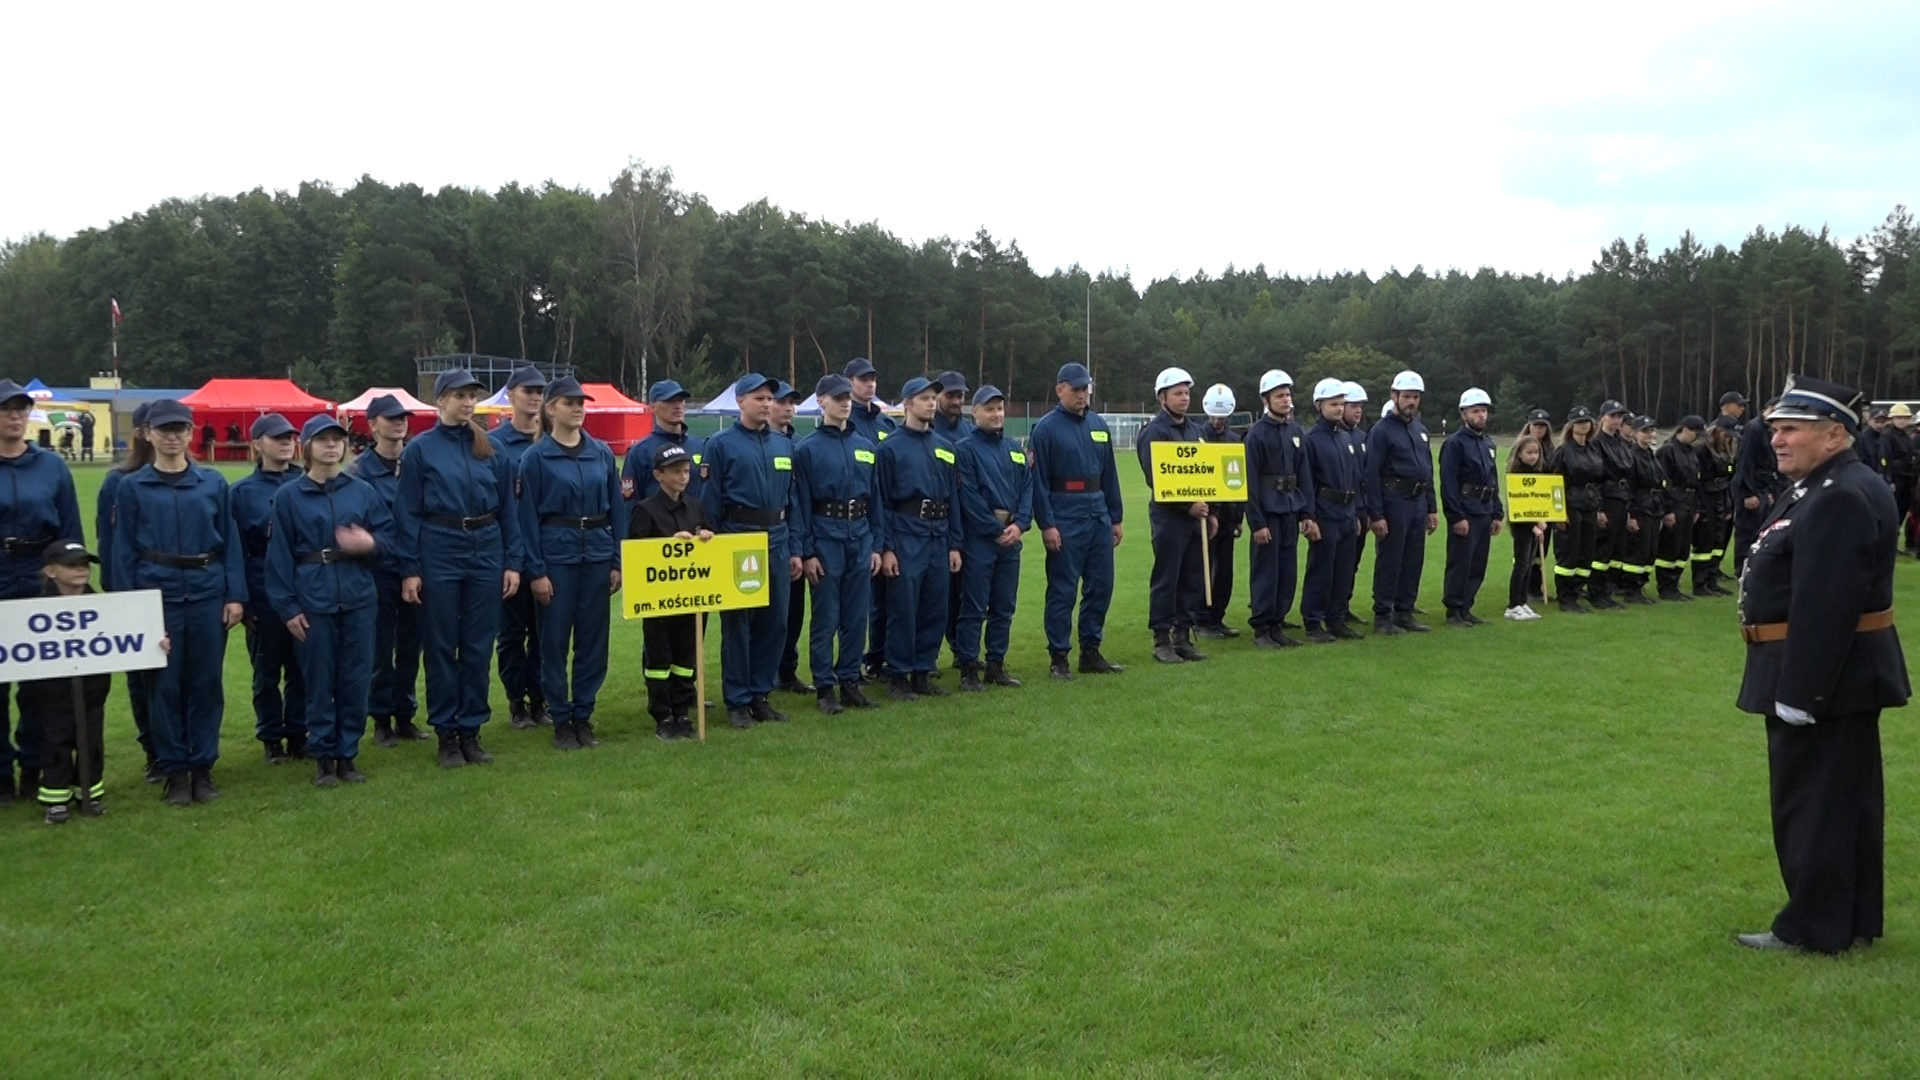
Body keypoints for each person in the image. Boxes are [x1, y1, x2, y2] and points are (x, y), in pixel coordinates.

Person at [1733, 375, 1910, 954]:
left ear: (1835, 434)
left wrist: (1800, 692)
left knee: (1812, 806)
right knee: (1843, 802)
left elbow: (1827, 602)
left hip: (1820, 678)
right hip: (1839, 675)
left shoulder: (1836, 494)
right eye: (1775, 428)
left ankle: (1813, 927)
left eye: (1791, 429)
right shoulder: (1826, 482)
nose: (1776, 439)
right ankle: (1848, 919)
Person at [111, 399, 246, 806]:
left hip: (206, 591)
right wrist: (131, 610)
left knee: (206, 684)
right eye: (164, 429)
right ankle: (174, 770)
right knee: (164, 687)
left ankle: (202, 767)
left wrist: (235, 595)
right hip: (158, 595)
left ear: (191, 434)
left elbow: (230, 542)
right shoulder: (132, 487)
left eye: (180, 428)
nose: (172, 436)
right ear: (148, 433)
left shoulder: (213, 484)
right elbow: (122, 554)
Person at [395, 369, 524, 769]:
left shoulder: (491, 449)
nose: (467, 403)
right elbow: (407, 513)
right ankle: (446, 733)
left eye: (472, 396)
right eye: (459, 396)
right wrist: (410, 568)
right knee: (440, 643)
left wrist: (512, 562)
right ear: (441, 402)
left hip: (486, 546)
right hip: (440, 546)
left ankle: (471, 728)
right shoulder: (421, 450)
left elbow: (508, 510)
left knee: (478, 644)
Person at [266, 415, 393, 787]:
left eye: (337, 440)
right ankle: (323, 755)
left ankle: (347, 754)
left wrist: (370, 545)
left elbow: (389, 541)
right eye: (322, 440)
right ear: (307, 447)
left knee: (355, 678)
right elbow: (278, 558)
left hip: (357, 595)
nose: (332, 446)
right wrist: (288, 607)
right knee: (319, 680)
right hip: (314, 596)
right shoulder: (289, 496)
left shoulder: (362, 492)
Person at [518, 377, 622, 750]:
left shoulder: (601, 454)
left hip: (596, 554)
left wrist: (616, 560)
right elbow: (526, 519)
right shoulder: (536, 458)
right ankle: (561, 718)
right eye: (569, 402)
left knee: (593, 642)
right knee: (554, 641)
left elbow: (617, 510)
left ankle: (583, 714)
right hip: (556, 556)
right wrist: (536, 571)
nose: (578, 408)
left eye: (581, 403)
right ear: (551, 409)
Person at [0, 379, 84, 806]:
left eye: (21, 409)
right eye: (6, 409)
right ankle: (1, 773)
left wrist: (71, 580)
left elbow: (69, 528)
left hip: (39, 579)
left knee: (40, 684)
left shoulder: (51, 467)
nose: (15, 416)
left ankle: (36, 765)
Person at [700, 373, 799, 727]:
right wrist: (714, 538)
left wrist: (795, 548)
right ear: (740, 401)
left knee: (775, 622)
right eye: (759, 398)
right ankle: (738, 701)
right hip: (738, 538)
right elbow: (709, 500)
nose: (767, 404)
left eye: (770, 399)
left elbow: (794, 501)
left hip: (777, 537)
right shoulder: (721, 444)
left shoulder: (783, 445)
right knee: (739, 625)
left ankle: (761, 694)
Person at [790, 374, 881, 715]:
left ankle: (850, 680)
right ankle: (825, 686)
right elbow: (800, 505)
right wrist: (808, 551)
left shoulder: (866, 448)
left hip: (859, 535)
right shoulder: (807, 449)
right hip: (825, 537)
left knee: (857, 616)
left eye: (847, 398)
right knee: (826, 616)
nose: (845, 403)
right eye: (837, 397)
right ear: (821, 400)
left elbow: (876, 503)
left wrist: (875, 545)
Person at [1029, 362, 1124, 680]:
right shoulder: (1045, 429)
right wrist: (1048, 524)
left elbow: (1109, 475)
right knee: (1063, 590)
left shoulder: (1099, 425)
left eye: (1086, 389)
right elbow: (1038, 483)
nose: (1082, 394)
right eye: (1076, 389)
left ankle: (1091, 650)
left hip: (1097, 515)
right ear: (1060, 390)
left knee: (1101, 586)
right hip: (1065, 516)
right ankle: (1059, 656)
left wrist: (1116, 518)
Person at [876, 376, 962, 700]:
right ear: (907, 404)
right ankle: (898, 674)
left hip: (938, 536)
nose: (930, 403)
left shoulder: (945, 447)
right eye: (923, 398)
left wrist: (955, 543)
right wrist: (887, 548)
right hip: (906, 534)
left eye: (933, 398)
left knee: (934, 606)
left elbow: (953, 498)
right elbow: (882, 501)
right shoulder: (889, 449)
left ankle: (923, 671)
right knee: (903, 608)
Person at [232, 413, 308, 764]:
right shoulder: (242, 493)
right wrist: (244, 601)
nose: (286, 442)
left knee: (303, 667)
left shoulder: (307, 481)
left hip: (304, 584)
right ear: (257, 443)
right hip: (263, 589)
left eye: (290, 437)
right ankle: (271, 738)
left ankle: (298, 733)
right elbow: (236, 550)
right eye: (277, 437)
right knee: (266, 670)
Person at [22, 541, 115, 823]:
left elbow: (127, 636)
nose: (81, 571)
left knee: (91, 740)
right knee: (56, 740)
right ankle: (56, 798)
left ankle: (90, 793)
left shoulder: (102, 605)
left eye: (85, 565)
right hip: (52, 691)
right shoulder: (33, 609)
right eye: (72, 565)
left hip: (93, 688)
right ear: (50, 571)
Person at [351, 394, 425, 747]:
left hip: (415, 567)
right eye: (391, 417)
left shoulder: (415, 462)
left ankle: (405, 714)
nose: (399, 422)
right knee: (380, 649)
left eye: (403, 417)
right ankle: (380, 718)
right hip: (378, 571)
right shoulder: (360, 472)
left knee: (412, 646)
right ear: (373, 424)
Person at [627, 445, 713, 739]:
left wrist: (707, 538)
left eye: (686, 471)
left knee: (686, 657)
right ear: (658, 475)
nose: (683, 477)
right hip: (659, 602)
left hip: (690, 598)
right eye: (675, 471)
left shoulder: (696, 506)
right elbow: (637, 555)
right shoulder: (645, 509)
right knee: (659, 660)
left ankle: (682, 711)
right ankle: (662, 715)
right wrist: (667, 543)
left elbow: (710, 541)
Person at [953, 384, 1031, 691]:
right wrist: (995, 530)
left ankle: (996, 664)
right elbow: (968, 497)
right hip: (980, 539)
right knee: (973, 606)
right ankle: (969, 668)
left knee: (1004, 605)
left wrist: (1021, 524)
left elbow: (1028, 488)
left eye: (1000, 408)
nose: (996, 414)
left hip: (1011, 537)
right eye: (989, 408)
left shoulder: (1014, 448)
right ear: (975, 413)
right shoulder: (965, 449)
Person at [98, 402, 161, 781]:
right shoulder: (118, 481)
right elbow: (109, 543)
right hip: (137, 586)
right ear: (142, 432)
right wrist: (119, 593)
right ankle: (153, 748)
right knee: (143, 676)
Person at [1137, 366, 1215, 664]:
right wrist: (1187, 506)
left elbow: (1206, 474)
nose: (1185, 398)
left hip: (1197, 517)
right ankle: (1161, 638)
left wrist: (1210, 511)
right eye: (1178, 393)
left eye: (1187, 393)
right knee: (1167, 578)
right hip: (1170, 517)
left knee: (1192, 577)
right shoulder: (1154, 432)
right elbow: (1156, 479)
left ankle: (1183, 636)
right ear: (1162, 397)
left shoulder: (1197, 431)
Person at [489, 365, 549, 730]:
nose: (535, 397)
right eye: (527, 390)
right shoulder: (495, 445)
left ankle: (541, 699)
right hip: (509, 552)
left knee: (546, 633)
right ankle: (516, 702)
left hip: (547, 551)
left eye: (540, 391)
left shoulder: (553, 442)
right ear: (510, 395)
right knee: (511, 634)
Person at [1243, 370, 1316, 648]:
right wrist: (1257, 523)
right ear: (1266, 399)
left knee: (1287, 570)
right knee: (1266, 571)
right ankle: (1261, 628)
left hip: (1289, 508)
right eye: (1279, 396)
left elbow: (1304, 475)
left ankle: (1277, 623)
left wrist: (1307, 514)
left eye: (1287, 395)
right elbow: (1249, 483)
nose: (1286, 400)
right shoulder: (1256, 436)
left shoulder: (1296, 432)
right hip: (1267, 512)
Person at [1362, 371, 1438, 634]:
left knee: (1413, 558)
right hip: (1394, 500)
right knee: (1391, 559)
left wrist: (1431, 507)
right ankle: (1383, 615)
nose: (1412, 402)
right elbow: (1371, 473)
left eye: (1416, 397)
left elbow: (1427, 470)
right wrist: (1376, 513)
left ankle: (1405, 611)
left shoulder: (1420, 430)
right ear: (1394, 396)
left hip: (1417, 500)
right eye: (1406, 396)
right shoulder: (1381, 431)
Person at [1299, 379, 1364, 642]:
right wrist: (1309, 517)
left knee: (1343, 568)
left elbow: (1354, 477)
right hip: (1325, 511)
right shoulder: (1311, 439)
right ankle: (1313, 622)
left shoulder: (1345, 436)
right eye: (1333, 404)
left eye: (1341, 403)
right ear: (1319, 405)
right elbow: (1307, 481)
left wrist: (1357, 512)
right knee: (1321, 568)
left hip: (1347, 511)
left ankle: (1336, 619)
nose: (1339, 409)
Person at [844, 358, 896, 681]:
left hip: (886, 515)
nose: (870, 385)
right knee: (858, 604)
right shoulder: (845, 421)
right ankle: (856, 662)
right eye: (863, 379)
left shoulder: (885, 425)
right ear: (850, 382)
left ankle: (881, 654)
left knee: (887, 597)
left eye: (873, 379)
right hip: (853, 520)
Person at [1439, 387, 1504, 626]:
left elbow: (1492, 479)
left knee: (1478, 562)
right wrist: (1456, 516)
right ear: (1463, 414)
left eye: (1484, 411)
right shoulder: (1454, 444)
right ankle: (1454, 609)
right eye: (1476, 411)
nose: (1481, 416)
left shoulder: (1488, 443)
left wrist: (1497, 511)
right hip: (1466, 509)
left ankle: (1466, 606)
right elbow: (1449, 482)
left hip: (1485, 509)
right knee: (1460, 561)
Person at [772, 381, 814, 695]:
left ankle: (787, 671)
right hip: (761, 539)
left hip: (791, 538)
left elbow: (801, 501)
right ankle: (762, 674)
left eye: (792, 403)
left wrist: (799, 546)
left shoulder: (800, 445)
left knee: (793, 611)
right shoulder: (762, 443)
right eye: (782, 402)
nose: (789, 408)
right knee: (764, 614)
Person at [1193, 385, 1244, 638]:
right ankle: (1200, 620)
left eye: (1221, 417)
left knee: (1225, 570)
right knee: (1204, 568)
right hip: (1205, 515)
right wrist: (1209, 511)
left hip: (1228, 514)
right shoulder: (1197, 437)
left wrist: (1237, 518)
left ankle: (1217, 618)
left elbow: (1238, 481)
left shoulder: (1235, 440)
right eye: (1213, 416)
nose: (1217, 421)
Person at [932, 371, 973, 665]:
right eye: (951, 395)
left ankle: (962, 649)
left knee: (965, 593)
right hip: (937, 522)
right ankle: (927, 655)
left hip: (968, 521)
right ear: (936, 396)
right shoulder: (927, 429)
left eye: (960, 395)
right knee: (937, 595)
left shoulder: (970, 431)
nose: (957, 400)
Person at [1551, 406, 1605, 614]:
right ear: (1571, 425)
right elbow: (1555, 483)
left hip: (1590, 505)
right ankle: (1565, 597)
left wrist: (1598, 506)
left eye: (1586, 422)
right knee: (1569, 554)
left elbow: (1598, 479)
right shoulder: (1564, 451)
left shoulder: (1593, 449)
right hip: (1571, 504)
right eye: (1579, 422)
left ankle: (1576, 593)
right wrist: (1559, 513)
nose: (1583, 426)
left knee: (1586, 553)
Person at [623, 380, 706, 506]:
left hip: (696, 524)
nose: (678, 405)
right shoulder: (640, 452)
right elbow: (629, 503)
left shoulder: (699, 446)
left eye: (681, 400)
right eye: (670, 401)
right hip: (657, 524)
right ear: (652, 406)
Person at [1589, 401, 1635, 608]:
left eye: (1619, 417)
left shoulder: (1621, 442)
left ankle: (1609, 590)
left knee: (1618, 548)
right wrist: (1598, 508)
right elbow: (1596, 477)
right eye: (1612, 416)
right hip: (1607, 497)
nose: (1616, 420)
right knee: (1603, 549)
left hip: (1621, 497)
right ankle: (1596, 592)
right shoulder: (1597, 442)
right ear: (1602, 418)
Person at [1654, 416, 1705, 602]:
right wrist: (1667, 509)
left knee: (1683, 547)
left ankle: (1674, 583)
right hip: (1675, 502)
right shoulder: (1667, 451)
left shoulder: (1691, 452)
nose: (1696, 437)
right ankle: (1665, 585)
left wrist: (1697, 507)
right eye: (1695, 433)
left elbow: (1697, 480)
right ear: (1683, 429)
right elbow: (1664, 481)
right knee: (1670, 546)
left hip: (1689, 502)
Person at [1617, 415, 1665, 605]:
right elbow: (1628, 487)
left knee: (1650, 550)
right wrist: (1630, 515)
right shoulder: (1632, 456)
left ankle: (1640, 585)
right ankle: (1630, 589)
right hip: (1639, 507)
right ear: (1635, 433)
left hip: (1653, 506)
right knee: (1638, 550)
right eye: (1645, 431)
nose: (1650, 435)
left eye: (1652, 431)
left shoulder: (1651, 455)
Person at [1732, 400, 1783, 578]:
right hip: (1752, 485)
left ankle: (1755, 566)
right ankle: (1743, 569)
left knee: (1762, 529)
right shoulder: (1754, 429)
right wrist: (1747, 492)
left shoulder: (1771, 430)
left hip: (1764, 485)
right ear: (1765, 409)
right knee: (1748, 530)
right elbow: (1745, 462)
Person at [1502, 435, 1548, 621]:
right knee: (1521, 564)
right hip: (1521, 525)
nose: (1533, 456)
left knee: (1529, 564)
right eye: (1529, 452)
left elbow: (1537, 500)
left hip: (1533, 525)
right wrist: (1533, 526)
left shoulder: (1536, 473)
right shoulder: (1517, 474)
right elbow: (1519, 505)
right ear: (1519, 454)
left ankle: (1522, 601)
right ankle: (1513, 605)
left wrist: (1541, 520)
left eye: (1536, 452)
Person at [1694, 422, 1737, 596]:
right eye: (1726, 433)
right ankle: (1700, 582)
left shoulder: (1722, 451)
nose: (1728, 437)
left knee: (1718, 542)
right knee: (1705, 542)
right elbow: (1699, 480)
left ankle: (1712, 579)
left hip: (1720, 497)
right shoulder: (1701, 451)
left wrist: (1727, 504)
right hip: (1707, 497)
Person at [1341, 382, 1371, 625]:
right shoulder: (1336, 436)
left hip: (1360, 509)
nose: (1358, 411)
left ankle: (1344, 603)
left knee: (1353, 561)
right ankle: (1333, 607)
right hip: (1342, 509)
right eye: (1353, 406)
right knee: (1339, 562)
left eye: (1360, 406)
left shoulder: (1362, 436)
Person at [1519, 407, 1556, 604]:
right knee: (1526, 549)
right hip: (1526, 503)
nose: (1539, 430)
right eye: (1536, 425)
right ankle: (1523, 588)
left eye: (1543, 426)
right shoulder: (1521, 447)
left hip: (1545, 504)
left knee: (1542, 546)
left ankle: (1536, 586)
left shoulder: (1551, 450)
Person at [1885, 403, 1916, 555]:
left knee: (1902, 511)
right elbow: (1886, 458)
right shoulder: (1888, 436)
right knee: (1894, 511)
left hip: (1907, 477)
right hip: (1896, 478)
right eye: (1899, 418)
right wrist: (1890, 479)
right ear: (1892, 419)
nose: (1902, 421)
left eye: (1905, 418)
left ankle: (1895, 545)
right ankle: (1890, 545)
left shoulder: (1906, 436)